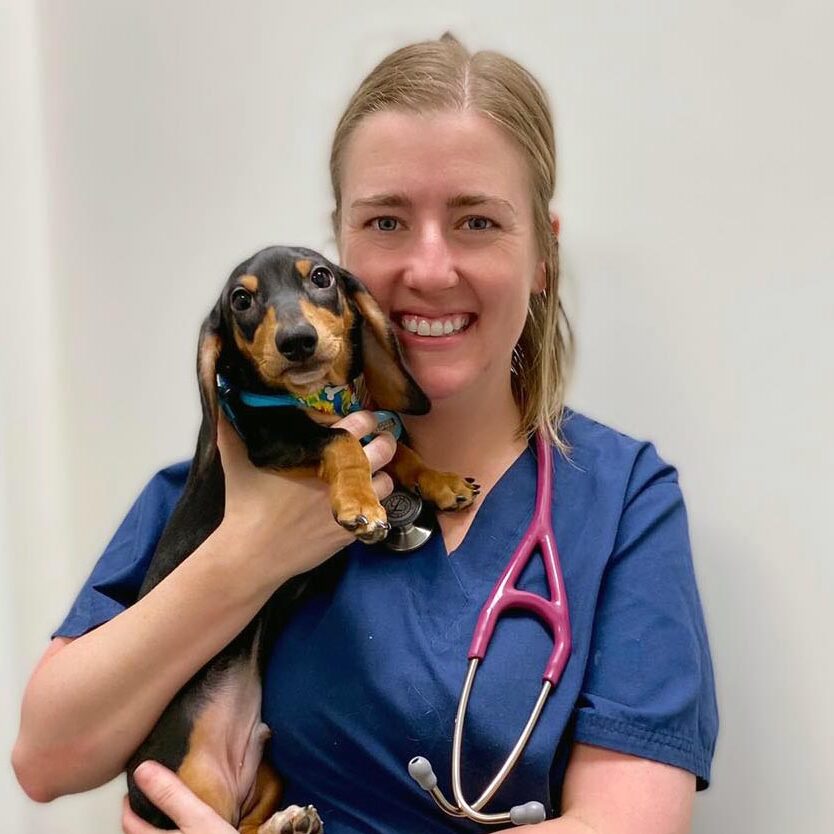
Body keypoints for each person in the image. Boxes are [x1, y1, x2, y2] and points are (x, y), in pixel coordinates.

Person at [12, 33, 718, 834]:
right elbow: (46, 755)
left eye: (477, 221)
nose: (427, 267)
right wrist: (251, 551)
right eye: (385, 222)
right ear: (340, 251)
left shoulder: (620, 500)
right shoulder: (214, 484)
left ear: (543, 256)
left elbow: (633, 825)